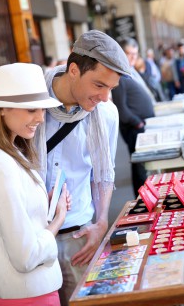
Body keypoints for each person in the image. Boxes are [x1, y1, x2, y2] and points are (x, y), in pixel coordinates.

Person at [35, 30, 131, 306]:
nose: (104, 97)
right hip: (33, 237)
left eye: (111, 88)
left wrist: (102, 223)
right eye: (99, 85)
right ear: (74, 70)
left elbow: (103, 174)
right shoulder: (33, 106)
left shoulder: (106, 114)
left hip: (80, 235)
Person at [0, 63, 70, 305]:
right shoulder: (0, 164)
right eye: (32, 109)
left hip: (28, 292)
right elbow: (26, 256)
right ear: (2, 109)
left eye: (42, 109)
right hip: (25, 294)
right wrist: (57, 220)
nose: (40, 118)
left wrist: (44, 205)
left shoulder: (9, 151)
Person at [111, 37, 155, 198]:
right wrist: (138, 123)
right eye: (129, 54)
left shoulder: (130, 71)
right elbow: (122, 109)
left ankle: (143, 199)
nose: (132, 58)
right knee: (139, 167)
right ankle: (142, 201)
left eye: (135, 54)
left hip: (141, 126)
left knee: (141, 166)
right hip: (134, 128)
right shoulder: (120, 76)